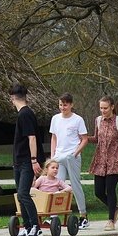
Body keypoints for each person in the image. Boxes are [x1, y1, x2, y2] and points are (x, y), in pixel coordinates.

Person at [87, 95, 118, 231]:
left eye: (105, 108)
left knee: (110, 189)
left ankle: (111, 220)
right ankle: (115, 208)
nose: (103, 110)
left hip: (115, 160)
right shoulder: (98, 120)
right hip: (100, 159)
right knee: (98, 192)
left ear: (112, 107)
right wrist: (84, 138)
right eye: (101, 108)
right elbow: (96, 138)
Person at [9, 82, 45, 236]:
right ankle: (27, 227)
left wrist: (33, 160)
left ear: (12, 98)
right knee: (20, 195)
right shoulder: (23, 114)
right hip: (19, 161)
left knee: (24, 193)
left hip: (26, 161)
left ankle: (36, 226)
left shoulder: (25, 114)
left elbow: (32, 138)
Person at [49, 92, 90, 228]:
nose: (63, 107)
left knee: (75, 184)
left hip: (72, 156)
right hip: (59, 156)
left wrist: (75, 153)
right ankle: (53, 217)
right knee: (56, 184)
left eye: (65, 105)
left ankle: (83, 215)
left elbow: (84, 139)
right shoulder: (55, 118)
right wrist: (53, 156)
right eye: (60, 105)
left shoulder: (77, 120)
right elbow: (54, 137)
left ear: (71, 105)